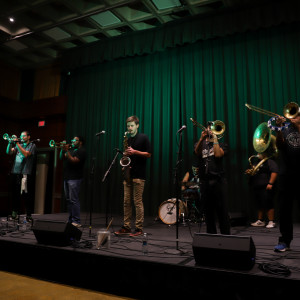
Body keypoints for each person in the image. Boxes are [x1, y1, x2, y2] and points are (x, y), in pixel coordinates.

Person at [115, 116, 151, 237]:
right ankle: (126, 227)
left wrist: (135, 152)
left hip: (139, 176)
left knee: (137, 202)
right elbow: (128, 157)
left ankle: (139, 228)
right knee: (126, 202)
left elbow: (149, 154)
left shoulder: (143, 137)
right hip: (128, 175)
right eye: (128, 126)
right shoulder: (129, 140)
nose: (129, 128)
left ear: (137, 125)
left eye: (131, 125)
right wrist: (125, 159)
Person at [194, 123, 231, 235]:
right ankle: (211, 236)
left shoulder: (222, 144)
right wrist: (202, 138)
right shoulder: (200, 143)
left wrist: (214, 138)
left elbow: (218, 155)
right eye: (210, 128)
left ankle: (226, 236)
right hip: (205, 181)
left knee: (222, 211)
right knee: (208, 212)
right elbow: (197, 152)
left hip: (218, 180)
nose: (211, 130)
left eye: (213, 129)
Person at [274, 110, 300, 252]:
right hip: (286, 175)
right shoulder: (285, 128)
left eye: (296, 115)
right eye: (292, 115)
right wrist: (279, 129)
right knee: (284, 210)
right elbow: (279, 145)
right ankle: (285, 241)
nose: (293, 117)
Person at [6, 131, 37, 221]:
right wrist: (9, 143)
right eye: (21, 136)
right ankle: (14, 213)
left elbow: (26, 154)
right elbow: (9, 152)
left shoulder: (32, 145)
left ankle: (28, 215)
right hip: (16, 172)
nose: (22, 137)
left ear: (28, 137)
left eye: (24, 136)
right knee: (15, 194)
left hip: (25, 173)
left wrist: (17, 143)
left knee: (26, 195)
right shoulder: (18, 145)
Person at [245, 151, 279, 229]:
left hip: (266, 186)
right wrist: (249, 172)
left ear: (265, 154)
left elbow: (274, 172)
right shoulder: (256, 162)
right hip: (257, 186)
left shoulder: (270, 162)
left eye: (259, 153)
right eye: (257, 153)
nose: (257, 155)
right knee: (260, 204)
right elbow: (254, 172)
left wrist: (270, 183)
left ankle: (271, 222)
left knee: (268, 203)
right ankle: (260, 221)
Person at [60, 136, 86, 228]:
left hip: (75, 178)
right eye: (72, 139)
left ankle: (76, 220)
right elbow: (61, 157)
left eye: (75, 140)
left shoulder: (81, 151)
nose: (72, 141)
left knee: (74, 200)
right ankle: (71, 219)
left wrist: (66, 150)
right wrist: (63, 149)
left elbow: (74, 161)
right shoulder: (71, 150)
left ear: (80, 142)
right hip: (67, 177)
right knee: (68, 200)